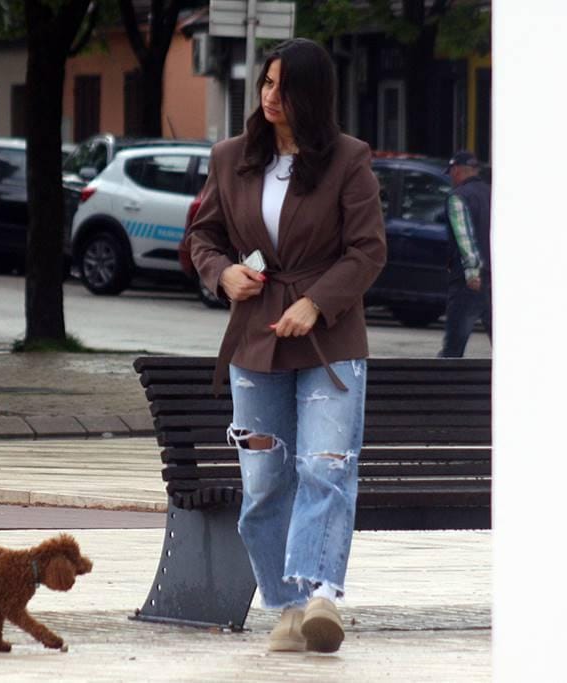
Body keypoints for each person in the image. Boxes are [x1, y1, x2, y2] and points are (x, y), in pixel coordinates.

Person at [188, 38, 386, 654]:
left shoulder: (349, 160)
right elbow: (203, 236)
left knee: (326, 466)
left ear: (313, 95)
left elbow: (368, 249)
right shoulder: (230, 157)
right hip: (255, 341)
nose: (272, 96)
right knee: (265, 481)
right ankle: (285, 607)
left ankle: (321, 595)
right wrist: (222, 273)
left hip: (331, 343)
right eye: (267, 83)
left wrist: (316, 302)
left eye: (285, 86)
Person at [439, 150, 492, 357]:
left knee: (453, 348)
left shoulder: (458, 197)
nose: (451, 178)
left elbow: (464, 236)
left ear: (456, 170)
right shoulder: (491, 193)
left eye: (451, 173)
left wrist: (472, 271)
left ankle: (445, 376)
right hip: (495, 279)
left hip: (469, 282)